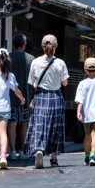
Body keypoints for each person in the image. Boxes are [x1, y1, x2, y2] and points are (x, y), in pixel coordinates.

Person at [26, 33, 69, 168]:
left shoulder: (35, 62)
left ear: (42, 46)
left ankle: (39, 150)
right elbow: (65, 83)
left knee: (39, 125)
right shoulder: (60, 63)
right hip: (55, 97)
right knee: (55, 127)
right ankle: (54, 158)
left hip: (40, 97)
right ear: (55, 47)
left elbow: (32, 83)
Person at [7, 33, 32, 160]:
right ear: (24, 44)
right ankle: (22, 151)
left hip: (10, 96)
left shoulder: (8, 58)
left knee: (12, 123)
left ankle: (12, 151)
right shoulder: (31, 59)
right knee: (24, 124)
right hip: (27, 96)